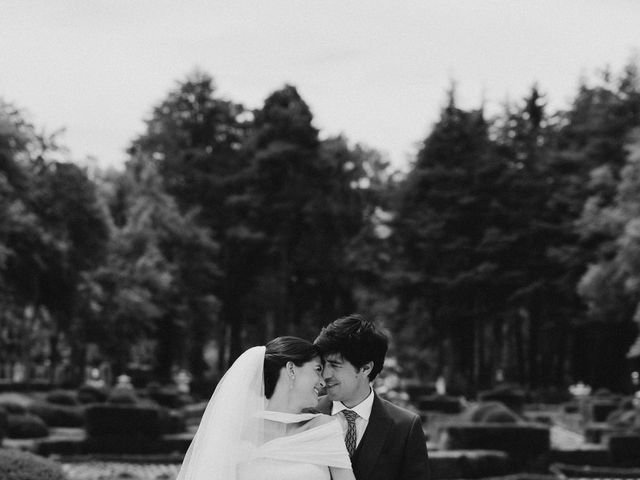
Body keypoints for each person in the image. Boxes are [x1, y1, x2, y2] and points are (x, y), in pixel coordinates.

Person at [176, 336, 355, 480]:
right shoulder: (236, 432)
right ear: (291, 369)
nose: (322, 381)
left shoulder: (324, 428)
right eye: (317, 369)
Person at [314, 314, 430, 480]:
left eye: (335, 365)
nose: (325, 374)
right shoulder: (305, 415)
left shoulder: (405, 427)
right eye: (323, 364)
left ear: (366, 368)